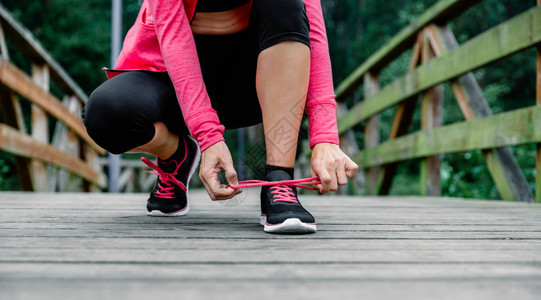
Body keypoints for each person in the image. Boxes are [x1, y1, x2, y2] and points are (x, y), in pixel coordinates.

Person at [83, 0, 358, 234]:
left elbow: (312, 30)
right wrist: (208, 137)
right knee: (106, 114)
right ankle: (175, 155)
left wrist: (325, 138)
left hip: (254, 76)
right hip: (171, 72)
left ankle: (279, 179)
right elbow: (174, 38)